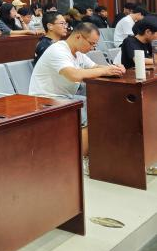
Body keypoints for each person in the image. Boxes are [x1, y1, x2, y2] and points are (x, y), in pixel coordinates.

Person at [29, 23, 125, 154]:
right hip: (44, 98)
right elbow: (74, 75)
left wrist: (114, 68)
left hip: (64, 96)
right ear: (79, 37)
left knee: (99, 100)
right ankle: (82, 158)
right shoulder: (58, 50)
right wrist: (106, 70)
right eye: (91, 43)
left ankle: (100, 148)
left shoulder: (78, 53)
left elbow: (95, 67)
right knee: (86, 105)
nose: (92, 48)